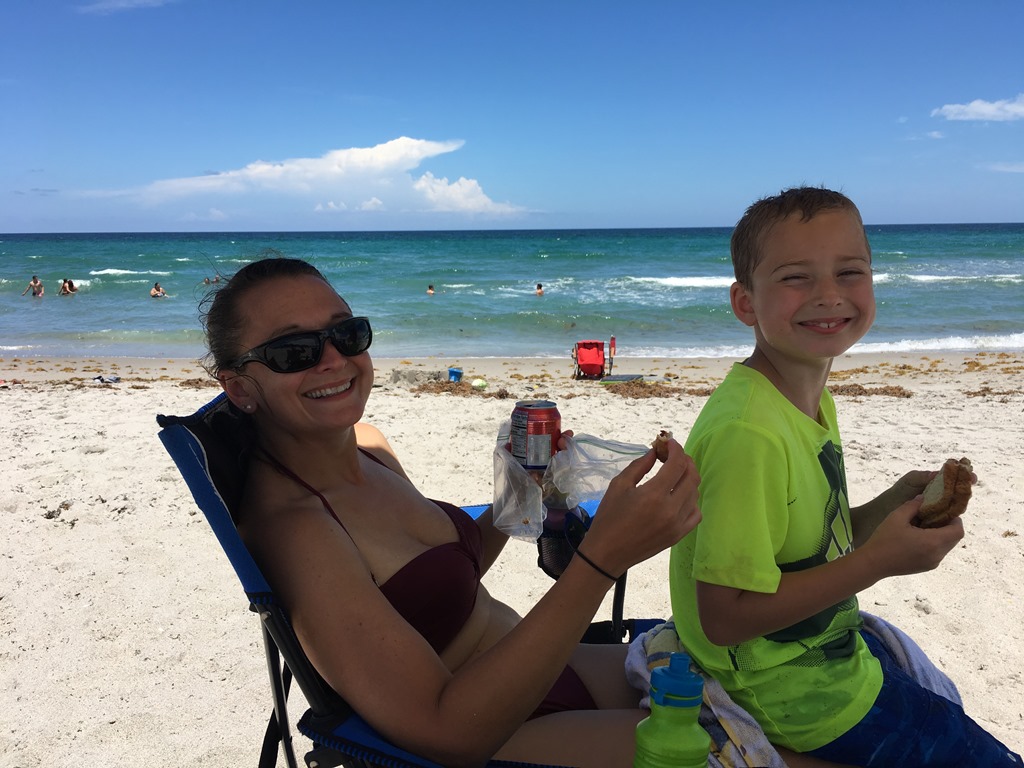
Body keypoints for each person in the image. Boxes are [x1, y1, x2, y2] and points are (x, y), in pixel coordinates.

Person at [203, 257, 702, 767]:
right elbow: (446, 731)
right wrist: (602, 560)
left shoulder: (369, 448)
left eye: (346, 334)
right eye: (293, 351)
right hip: (497, 730)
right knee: (736, 749)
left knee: (738, 689)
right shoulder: (296, 530)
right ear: (239, 387)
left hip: (539, 666)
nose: (333, 359)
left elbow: (443, 579)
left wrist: (520, 487)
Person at [669, 186, 1022, 766]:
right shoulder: (748, 434)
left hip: (821, 656)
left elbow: (809, 548)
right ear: (745, 303)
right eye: (796, 277)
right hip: (785, 693)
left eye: (849, 271)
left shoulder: (805, 397)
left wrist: (888, 506)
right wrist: (877, 563)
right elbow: (724, 616)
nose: (829, 294)